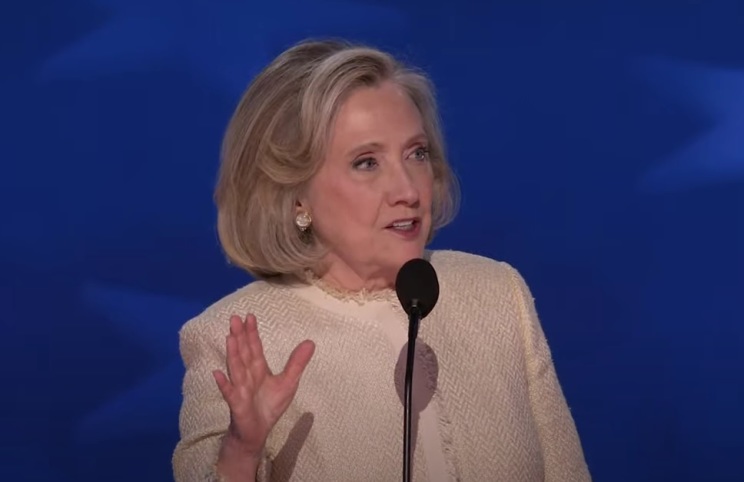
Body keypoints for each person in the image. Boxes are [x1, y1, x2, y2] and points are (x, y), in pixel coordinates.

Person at [172, 38, 592, 482]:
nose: (408, 190)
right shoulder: (236, 339)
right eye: (367, 162)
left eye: (417, 153)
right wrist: (241, 453)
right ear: (296, 196)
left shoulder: (495, 293)